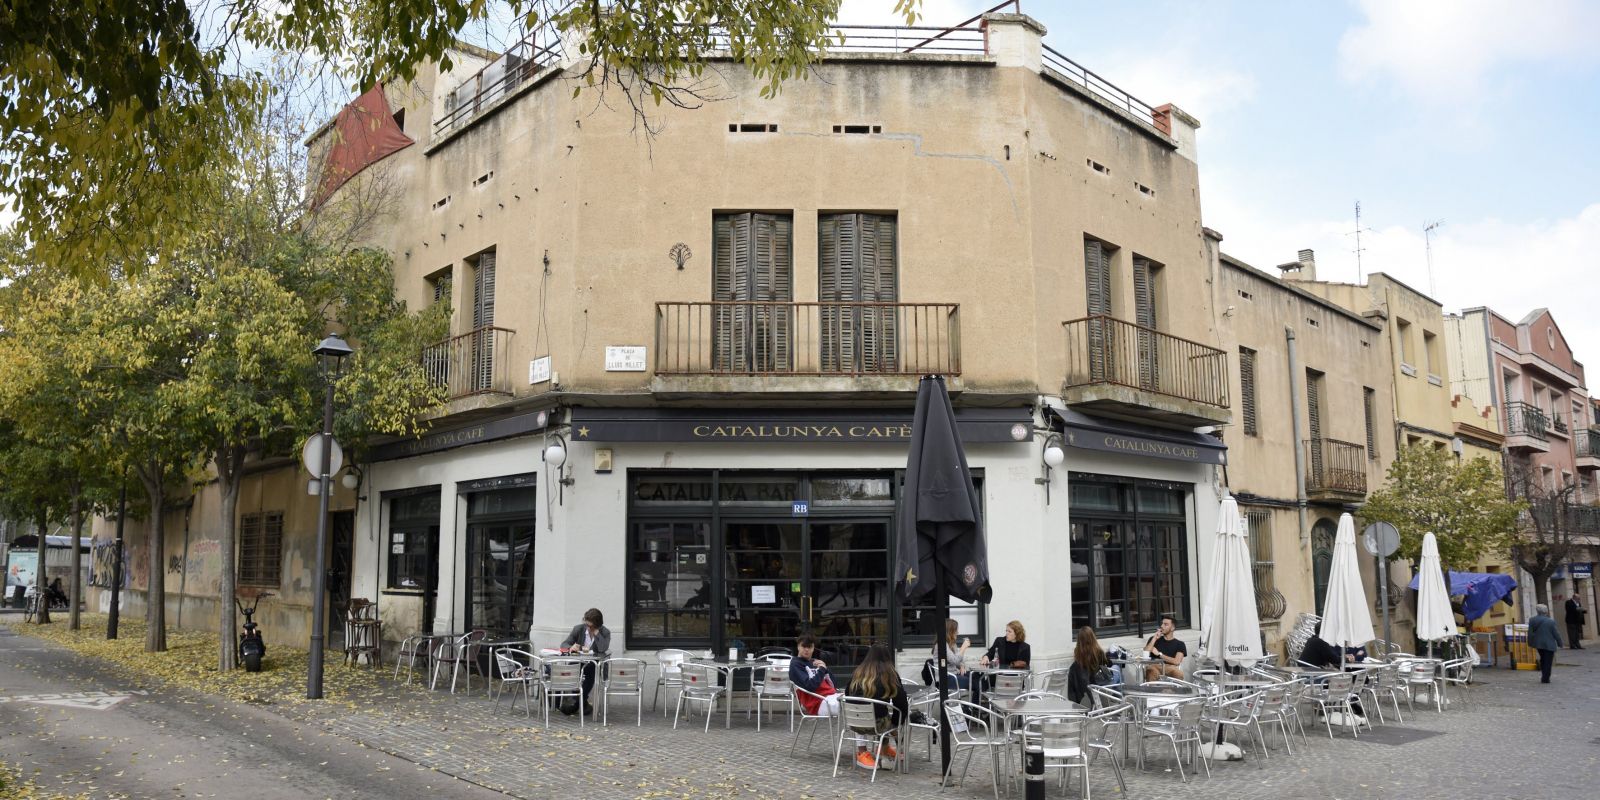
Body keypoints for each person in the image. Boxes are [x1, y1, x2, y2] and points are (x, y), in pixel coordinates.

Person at [845, 643, 908, 770]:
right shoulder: (890, 675)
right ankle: (887, 751)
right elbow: (901, 704)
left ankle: (863, 752)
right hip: (878, 726)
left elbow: (847, 694)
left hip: (854, 723)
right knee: (888, 720)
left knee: (872, 714)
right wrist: (897, 722)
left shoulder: (857, 672)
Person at [558, 608, 610, 716]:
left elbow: (602, 648)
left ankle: (575, 702)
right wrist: (571, 647)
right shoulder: (578, 629)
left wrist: (597, 634)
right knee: (572, 667)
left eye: (591, 626)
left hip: (596, 665)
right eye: (586, 624)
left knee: (591, 670)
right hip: (579, 661)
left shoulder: (605, 632)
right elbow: (564, 644)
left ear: (597, 625)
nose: (588, 628)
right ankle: (582, 703)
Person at [789, 633, 840, 717]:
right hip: (817, 703)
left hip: (830, 697)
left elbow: (834, 685)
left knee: (858, 702)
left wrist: (825, 669)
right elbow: (810, 686)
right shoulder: (796, 664)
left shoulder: (816, 662)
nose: (806, 650)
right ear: (798, 646)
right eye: (804, 646)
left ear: (813, 648)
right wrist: (821, 670)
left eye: (809, 647)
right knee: (851, 706)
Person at [1066, 626, 1112, 705]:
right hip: (1099, 690)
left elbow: (1072, 687)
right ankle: (1118, 701)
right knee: (1117, 670)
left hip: (1080, 696)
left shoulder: (1077, 659)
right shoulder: (1098, 652)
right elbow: (1108, 664)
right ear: (1092, 638)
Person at [1143, 614, 1186, 681]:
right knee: (1151, 671)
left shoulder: (1180, 644)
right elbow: (1145, 652)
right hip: (1154, 666)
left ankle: (1172, 691)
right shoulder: (1153, 639)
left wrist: (1159, 654)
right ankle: (1153, 691)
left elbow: (1177, 661)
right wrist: (1154, 638)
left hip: (1170, 668)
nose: (1162, 626)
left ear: (1172, 628)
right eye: (1162, 624)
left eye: (1165, 624)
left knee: (1178, 674)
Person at [1528, 603, 1562, 684]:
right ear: (1546, 611)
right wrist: (1560, 642)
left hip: (1538, 644)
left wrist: (1530, 642)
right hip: (1549, 644)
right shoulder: (1550, 621)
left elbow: (1530, 633)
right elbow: (1556, 633)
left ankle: (1544, 675)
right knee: (1548, 661)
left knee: (1543, 659)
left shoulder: (1532, 620)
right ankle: (1546, 678)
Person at [934, 618, 971, 691]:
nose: (958, 632)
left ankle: (978, 700)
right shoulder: (941, 645)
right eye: (956, 630)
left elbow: (959, 660)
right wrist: (963, 648)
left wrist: (961, 666)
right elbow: (955, 660)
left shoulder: (952, 643)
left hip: (953, 674)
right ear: (950, 631)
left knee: (977, 676)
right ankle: (975, 701)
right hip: (946, 679)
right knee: (975, 682)